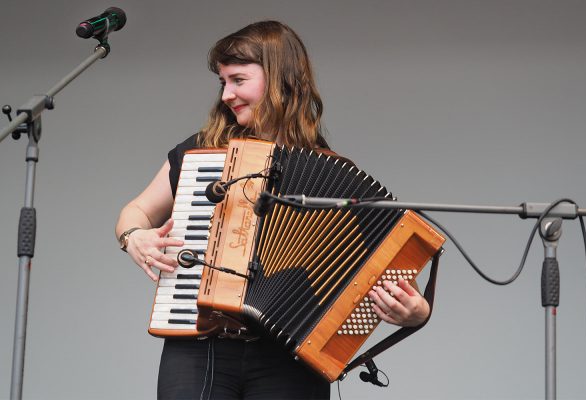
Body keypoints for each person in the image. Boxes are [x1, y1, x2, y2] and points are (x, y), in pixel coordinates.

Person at [115, 20, 431, 400]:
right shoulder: (204, 153)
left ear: (280, 79)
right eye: (223, 83)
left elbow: (384, 270)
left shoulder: (331, 175)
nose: (227, 95)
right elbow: (136, 210)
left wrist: (416, 313)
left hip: (289, 357)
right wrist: (134, 236)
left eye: (238, 80)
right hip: (201, 346)